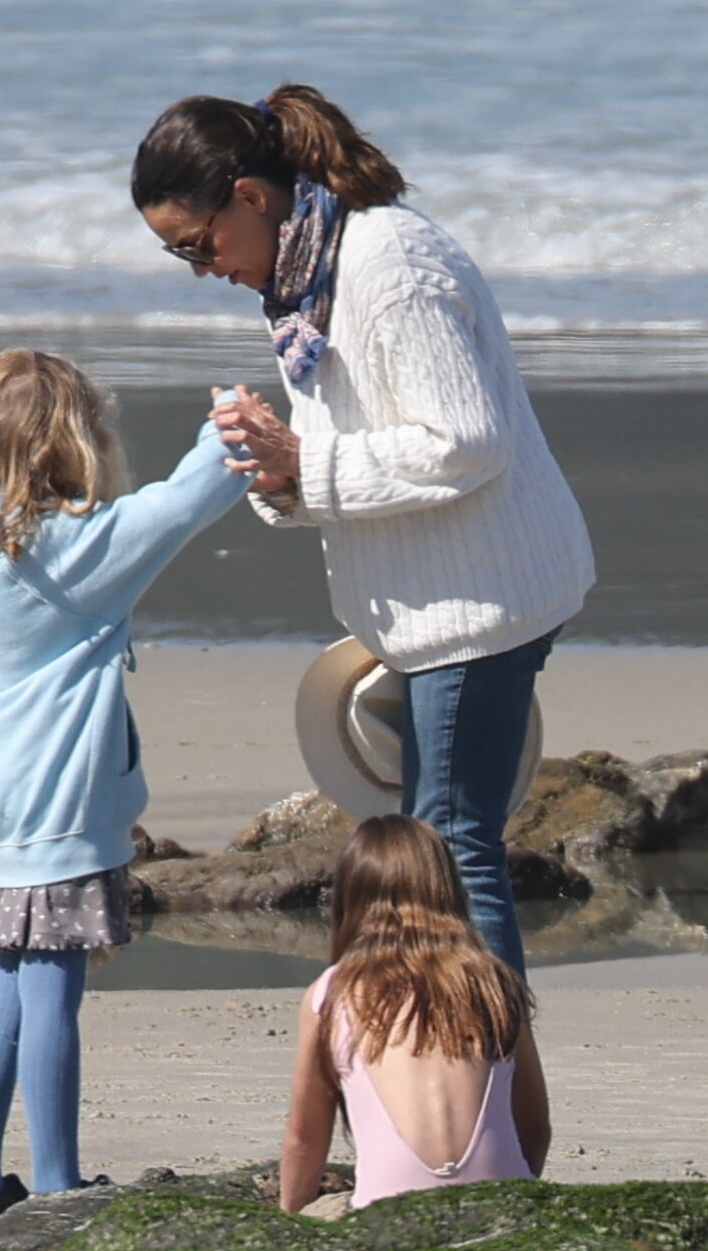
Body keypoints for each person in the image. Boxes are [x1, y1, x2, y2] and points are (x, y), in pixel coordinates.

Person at [131, 85, 595, 979]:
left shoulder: (389, 268)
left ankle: (491, 1086)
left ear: (252, 198)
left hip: (479, 602)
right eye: (177, 255)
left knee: (453, 850)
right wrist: (279, 470)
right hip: (436, 601)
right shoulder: (308, 271)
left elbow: (463, 443)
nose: (200, 269)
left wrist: (303, 467)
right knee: (440, 841)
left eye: (197, 244)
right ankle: (470, 1073)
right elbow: (343, 454)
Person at [0, 348, 250, 1229]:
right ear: (74, 439)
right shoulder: (75, 547)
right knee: (54, 988)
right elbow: (179, 505)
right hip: (65, 794)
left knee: (13, 985)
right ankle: (55, 1186)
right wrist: (228, 427)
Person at [279, 815, 550, 1215]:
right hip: (502, 1204)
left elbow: (304, 1140)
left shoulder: (333, 993)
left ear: (351, 898)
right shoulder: (493, 979)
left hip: (389, 1213)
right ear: (448, 890)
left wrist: (291, 1220)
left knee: (325, 1211)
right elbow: (535, 1130)